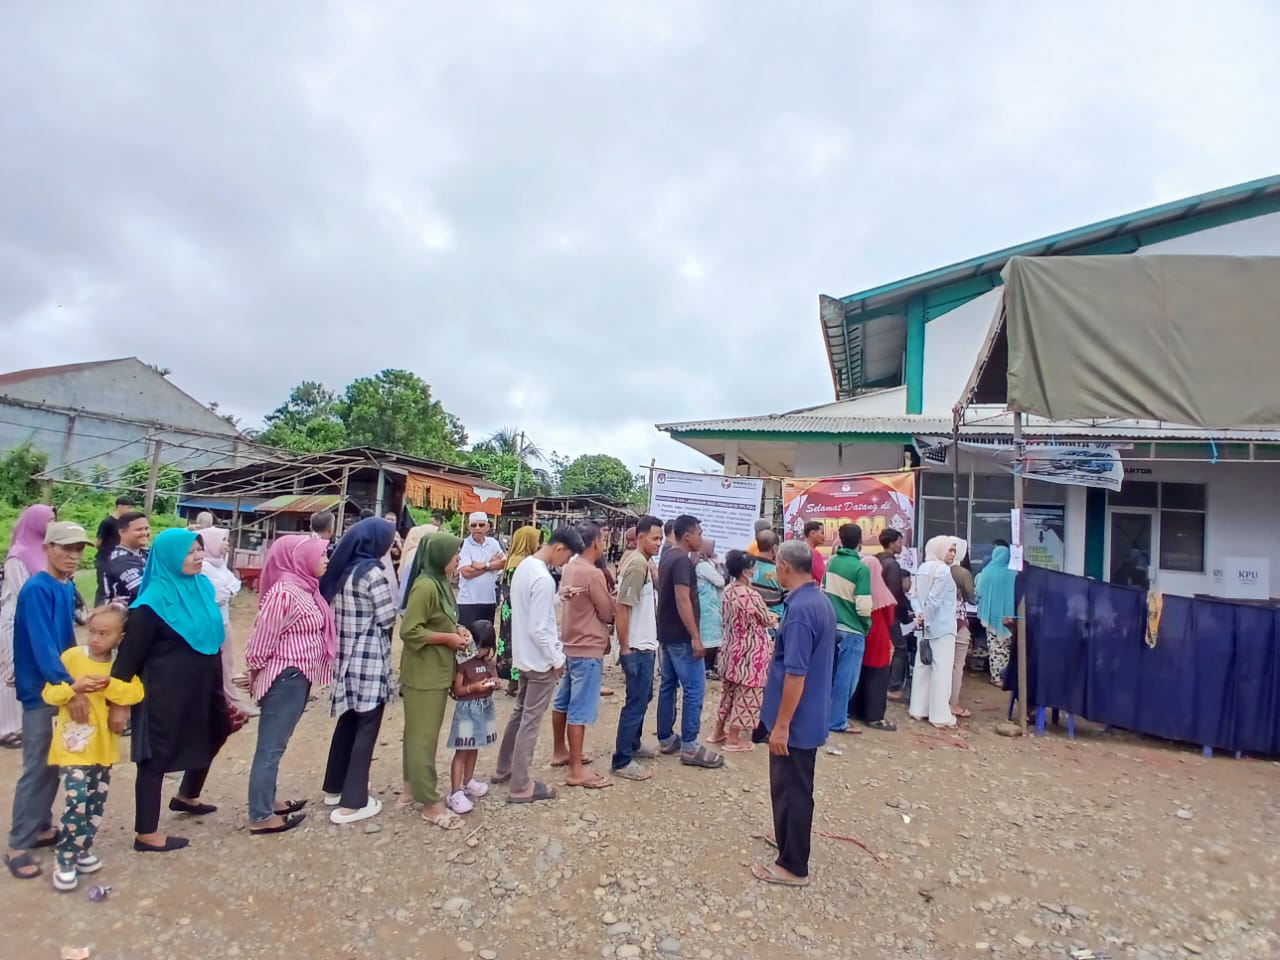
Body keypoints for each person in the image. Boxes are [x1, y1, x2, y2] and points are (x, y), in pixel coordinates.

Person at [111, 528, 230, 853]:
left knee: (216, 729)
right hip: (164, 693)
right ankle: (146, 832)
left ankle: (187, 795)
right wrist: (119, 704)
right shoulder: (149, 605)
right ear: (169, 557)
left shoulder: (202, 587)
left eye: (200, 550)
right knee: (155, 756)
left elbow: (212, 639)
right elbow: (128, 660)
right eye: (190, 551)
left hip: (203, 686)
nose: (198, 556)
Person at [4, 520, 91, 880]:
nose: (72, 556)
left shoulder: (64, 587)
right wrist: (69, 687)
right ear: (47, 548)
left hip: (58, 684)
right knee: (38, 765)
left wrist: (79, 674)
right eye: (65, 548)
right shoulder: (37, 589)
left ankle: (41, 826)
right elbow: (41, 644)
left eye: (78, 549)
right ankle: (17, 844)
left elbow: (65, 639)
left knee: (55, 760)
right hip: (44, 691)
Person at [42, 605, 144, 891]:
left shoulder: (120, 666)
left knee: (95, 804)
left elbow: (135, 692)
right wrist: (73, 689)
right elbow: (50, 692)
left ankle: (83, 848)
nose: (96, 638)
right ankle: (65, 858)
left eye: (104, 633)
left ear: (120, 637)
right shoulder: (72, 658)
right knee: (76, 800)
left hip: (104, 748)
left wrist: (109, 685)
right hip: (73, 746)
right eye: (92, 631)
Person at [753, 541, 836, 888]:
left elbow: (796, 673)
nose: (774, 570)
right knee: (788, 786)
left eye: (776, 565)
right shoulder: (817, 600)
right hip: (807, 712)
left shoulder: (802, 610)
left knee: (794, 788)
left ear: (786, 566)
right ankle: (787, 839)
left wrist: (782, 725)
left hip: (797, 718)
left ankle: (793, 865)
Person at [242, 535, 335, 836]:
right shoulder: (284, 592)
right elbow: (261, 639)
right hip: (285, 676)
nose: (326, 560)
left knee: (276, 746)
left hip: (298, 676)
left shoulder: (306, 588)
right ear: (302, 557)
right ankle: (260, 815)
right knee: (270, 747)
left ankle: (268, 800)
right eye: (321, 554)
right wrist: (255, 671)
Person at [493, 526, 584, 804]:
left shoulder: (525, 567)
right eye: (566, 556)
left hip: (524, 656)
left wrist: (559, 597)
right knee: (530, 720)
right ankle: (521, 785)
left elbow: (531, 607)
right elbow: (540, 628)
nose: (565, 562)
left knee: (520, 713)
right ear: (559, 549)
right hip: (540, 660)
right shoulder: (543, 577)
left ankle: (504, 767)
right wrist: (557, 659)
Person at [319, 517, 397, 824]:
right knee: (367, 726)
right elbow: (388, 617)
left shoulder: (345, 569)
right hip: (368, 658)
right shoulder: (373, 573)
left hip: (345, 655)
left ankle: (334, 787)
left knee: (348, 721)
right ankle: (353, 803)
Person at [400, 531, 471, 830]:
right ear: (441, 556)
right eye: (455, 554)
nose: (459, 559)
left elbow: (442, 619)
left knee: (417, 733)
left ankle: (410, 788)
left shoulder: (442, 584)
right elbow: (409, 630)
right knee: (423, 738)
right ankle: (430, 802)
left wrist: (459, 630)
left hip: (437, 669)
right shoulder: (425, 586)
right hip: (424, 673)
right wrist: (447, 638)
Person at [549, 522, 615, 790]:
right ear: (596, 542)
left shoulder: (570, 568)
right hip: (588, 646)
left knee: (563, 700)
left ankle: (560, 750)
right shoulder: (592, 573)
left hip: (569, 643)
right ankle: (576, 769)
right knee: (580, 707)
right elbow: (606, 612)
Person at [656, 515, 723, 769]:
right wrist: (696, 636)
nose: (701, 537)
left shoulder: (668, 556)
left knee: (668, 685)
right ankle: (691, 746)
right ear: (688, 536)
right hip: (683, 636)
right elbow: (683, 599)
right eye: (699, 533)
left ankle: (666, 738)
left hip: (667, 633)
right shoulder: (682, 561)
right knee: (694, 688)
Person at [611, 515, 663, 782]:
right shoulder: (637, 565)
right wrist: (626, 648)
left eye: (661, 539)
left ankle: (633, 743)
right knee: (635, 702)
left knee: (644, 697)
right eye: (655, 538)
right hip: (637, 646)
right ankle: (622, 759)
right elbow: (622, 607)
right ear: (640, 537)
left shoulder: (643, 562)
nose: (659, 543)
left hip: (645, 642)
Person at [2, 504, 57, 750]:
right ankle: (7, 728)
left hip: (38, 615)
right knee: (11, 670)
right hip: (15, 617)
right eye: (49, 520)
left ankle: (23, 723)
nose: (52, 525)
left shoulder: (46, 552)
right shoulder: (19, 553)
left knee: (29, 668)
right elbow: (21, 590)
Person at [711, 550, 776, 752]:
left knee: (728, 692)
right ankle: (733, 739)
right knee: (748, 695)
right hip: (752, 651)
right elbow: (766, 619)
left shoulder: (728, 591)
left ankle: (718, 731)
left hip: (731, 647)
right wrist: (774, 618)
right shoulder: (751, 596)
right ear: (747, 571)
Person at [198, 526, 253, 721]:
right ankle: (225, 705)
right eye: (223, 540)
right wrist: (227, 591)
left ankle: (230, 702)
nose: (226, 544)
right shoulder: (203, 566)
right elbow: (219, 594)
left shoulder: (219, 564)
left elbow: (234, 585)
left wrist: (227, 590)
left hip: (224, 620)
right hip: (212, 623)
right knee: (216, 665)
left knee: (227, 664)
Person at [445, 619, 499, 814]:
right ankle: (455, 792)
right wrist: (473, 688)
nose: (481, 652)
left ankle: (468, 781)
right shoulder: (464, 663)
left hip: (483, 709)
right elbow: (457, 690)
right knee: (462, 750)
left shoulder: (488, 662)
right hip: (467, 711)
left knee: (475, 745)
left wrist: (494, 683)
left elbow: (496, 681)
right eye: (479, 647)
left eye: (485, 648)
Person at [823, 524, 871, 735]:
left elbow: (823, 591)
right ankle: (837, 721)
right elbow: (863, 605)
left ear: (840, 540)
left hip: (831, 626)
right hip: (852, 629)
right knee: (847, 678)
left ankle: (825, 716)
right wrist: (866, 624)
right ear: (860, 542)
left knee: (830, 675)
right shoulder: (861, 568)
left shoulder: (832, 562)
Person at [909, 536, 960, 728]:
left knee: (923, 666)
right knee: (942, 670)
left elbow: (913, 596)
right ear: (940, 550)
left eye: (954, 550)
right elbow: (935, 599)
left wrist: (919, 615)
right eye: (950, 550)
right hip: (942, 626)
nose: (953, 554)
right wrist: (926, 617)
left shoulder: (922, 568)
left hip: (923, 626)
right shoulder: (944, 571)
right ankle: (939, 716)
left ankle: (918, 709)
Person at [850, 538, 899, 732]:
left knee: (860, 673)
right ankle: (874, 715)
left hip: (862, 634)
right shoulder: (882, 592)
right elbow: (889, 618)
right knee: (877, 676)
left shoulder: (857, 589)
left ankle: (856, 710)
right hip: (879, 638)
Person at [497, 526, 540, 697]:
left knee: (511, 643)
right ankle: (517, 683)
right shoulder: (521, 563)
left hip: (510, 609)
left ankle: (514, 683)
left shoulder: (513, 559)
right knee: (518, 644)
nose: (539, 544)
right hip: (518, 609)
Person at [456, 513, 506, 631]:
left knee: (486, 639)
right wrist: (490, 565)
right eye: (474, 525)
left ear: (487, 527)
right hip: (468, 602)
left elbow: (504, 562)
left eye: (481, 524)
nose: (477, 528)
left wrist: (482, 565)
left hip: (489, 600)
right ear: (469, 528)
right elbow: (466, 573)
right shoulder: (465, 545)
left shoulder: (493, 543)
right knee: (468, 640)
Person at [976, 545, 1017, 687]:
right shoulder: (1012, 573)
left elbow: (978, 591)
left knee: (994, 647)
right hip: (1008, 617)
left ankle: (996, 677)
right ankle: (1007, 677)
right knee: (1007, 648)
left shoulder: (986, 572)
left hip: (990, 615)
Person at [880, 529, 912, 700]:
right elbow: (895, 593)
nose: (901, 545)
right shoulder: (892, 565)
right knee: (900, 648)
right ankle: (893, 687)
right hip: (890, 613)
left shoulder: (877, 560)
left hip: (877, 612)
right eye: (899, 542)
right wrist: (905, 615)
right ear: (892, 543)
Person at [950, 541, 975, 719]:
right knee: (957, 665)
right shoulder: (962, 573)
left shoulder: (935, 568)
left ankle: (937, 701)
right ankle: (953, 704)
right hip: (958, 621)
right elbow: (971, 597)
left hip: (939, 624)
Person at [694, 539, 725, 680]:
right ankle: (707, 668)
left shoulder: (701, 563)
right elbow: (720, 581)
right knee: (710, 637)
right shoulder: (703, 566)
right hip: (708, 605)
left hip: (706, 604)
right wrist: (718, 567)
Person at [93, 496, 134, 605]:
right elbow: (98, 542)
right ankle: (98, 612)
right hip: (104, 560)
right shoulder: (107, 523)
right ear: (119, 507)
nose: (131, 510)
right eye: (128, 507)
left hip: (117, 560)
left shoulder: (124, 523)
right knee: (103, 589)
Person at [104, 512, 151, 605]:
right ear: (122, 532)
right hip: (124, 616)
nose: (144, 533)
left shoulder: (145, 552)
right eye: (139, 529)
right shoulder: (119, 559)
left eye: (146, 528)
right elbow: (144, 590)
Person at [750, 531, 786, 621]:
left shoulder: (747, 568)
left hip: (752, 619)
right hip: (774, 621)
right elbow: (789, 599)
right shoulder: (779, 571)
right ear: (775, 548)